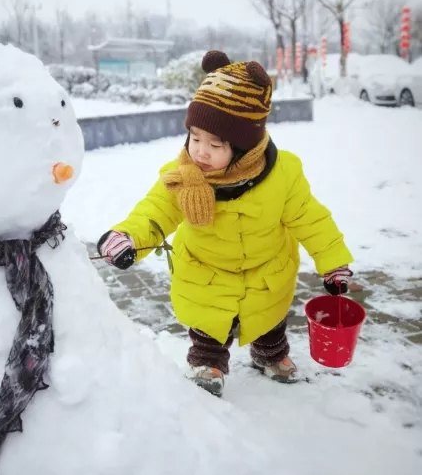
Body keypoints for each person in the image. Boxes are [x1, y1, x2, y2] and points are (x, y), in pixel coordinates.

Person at [97, 51, 353, 397]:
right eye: (195, 137)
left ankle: (270, 356)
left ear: (245, 148)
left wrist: (333, 263)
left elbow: (310, 218)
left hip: (266, 270)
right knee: (207, 329)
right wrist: (128, 237)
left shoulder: (283, 176)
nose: (200, 151)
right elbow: (154, 211)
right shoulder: (182, 177)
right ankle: (208, 363)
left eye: (215, 144)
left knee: (270, 323)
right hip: (206, 272)